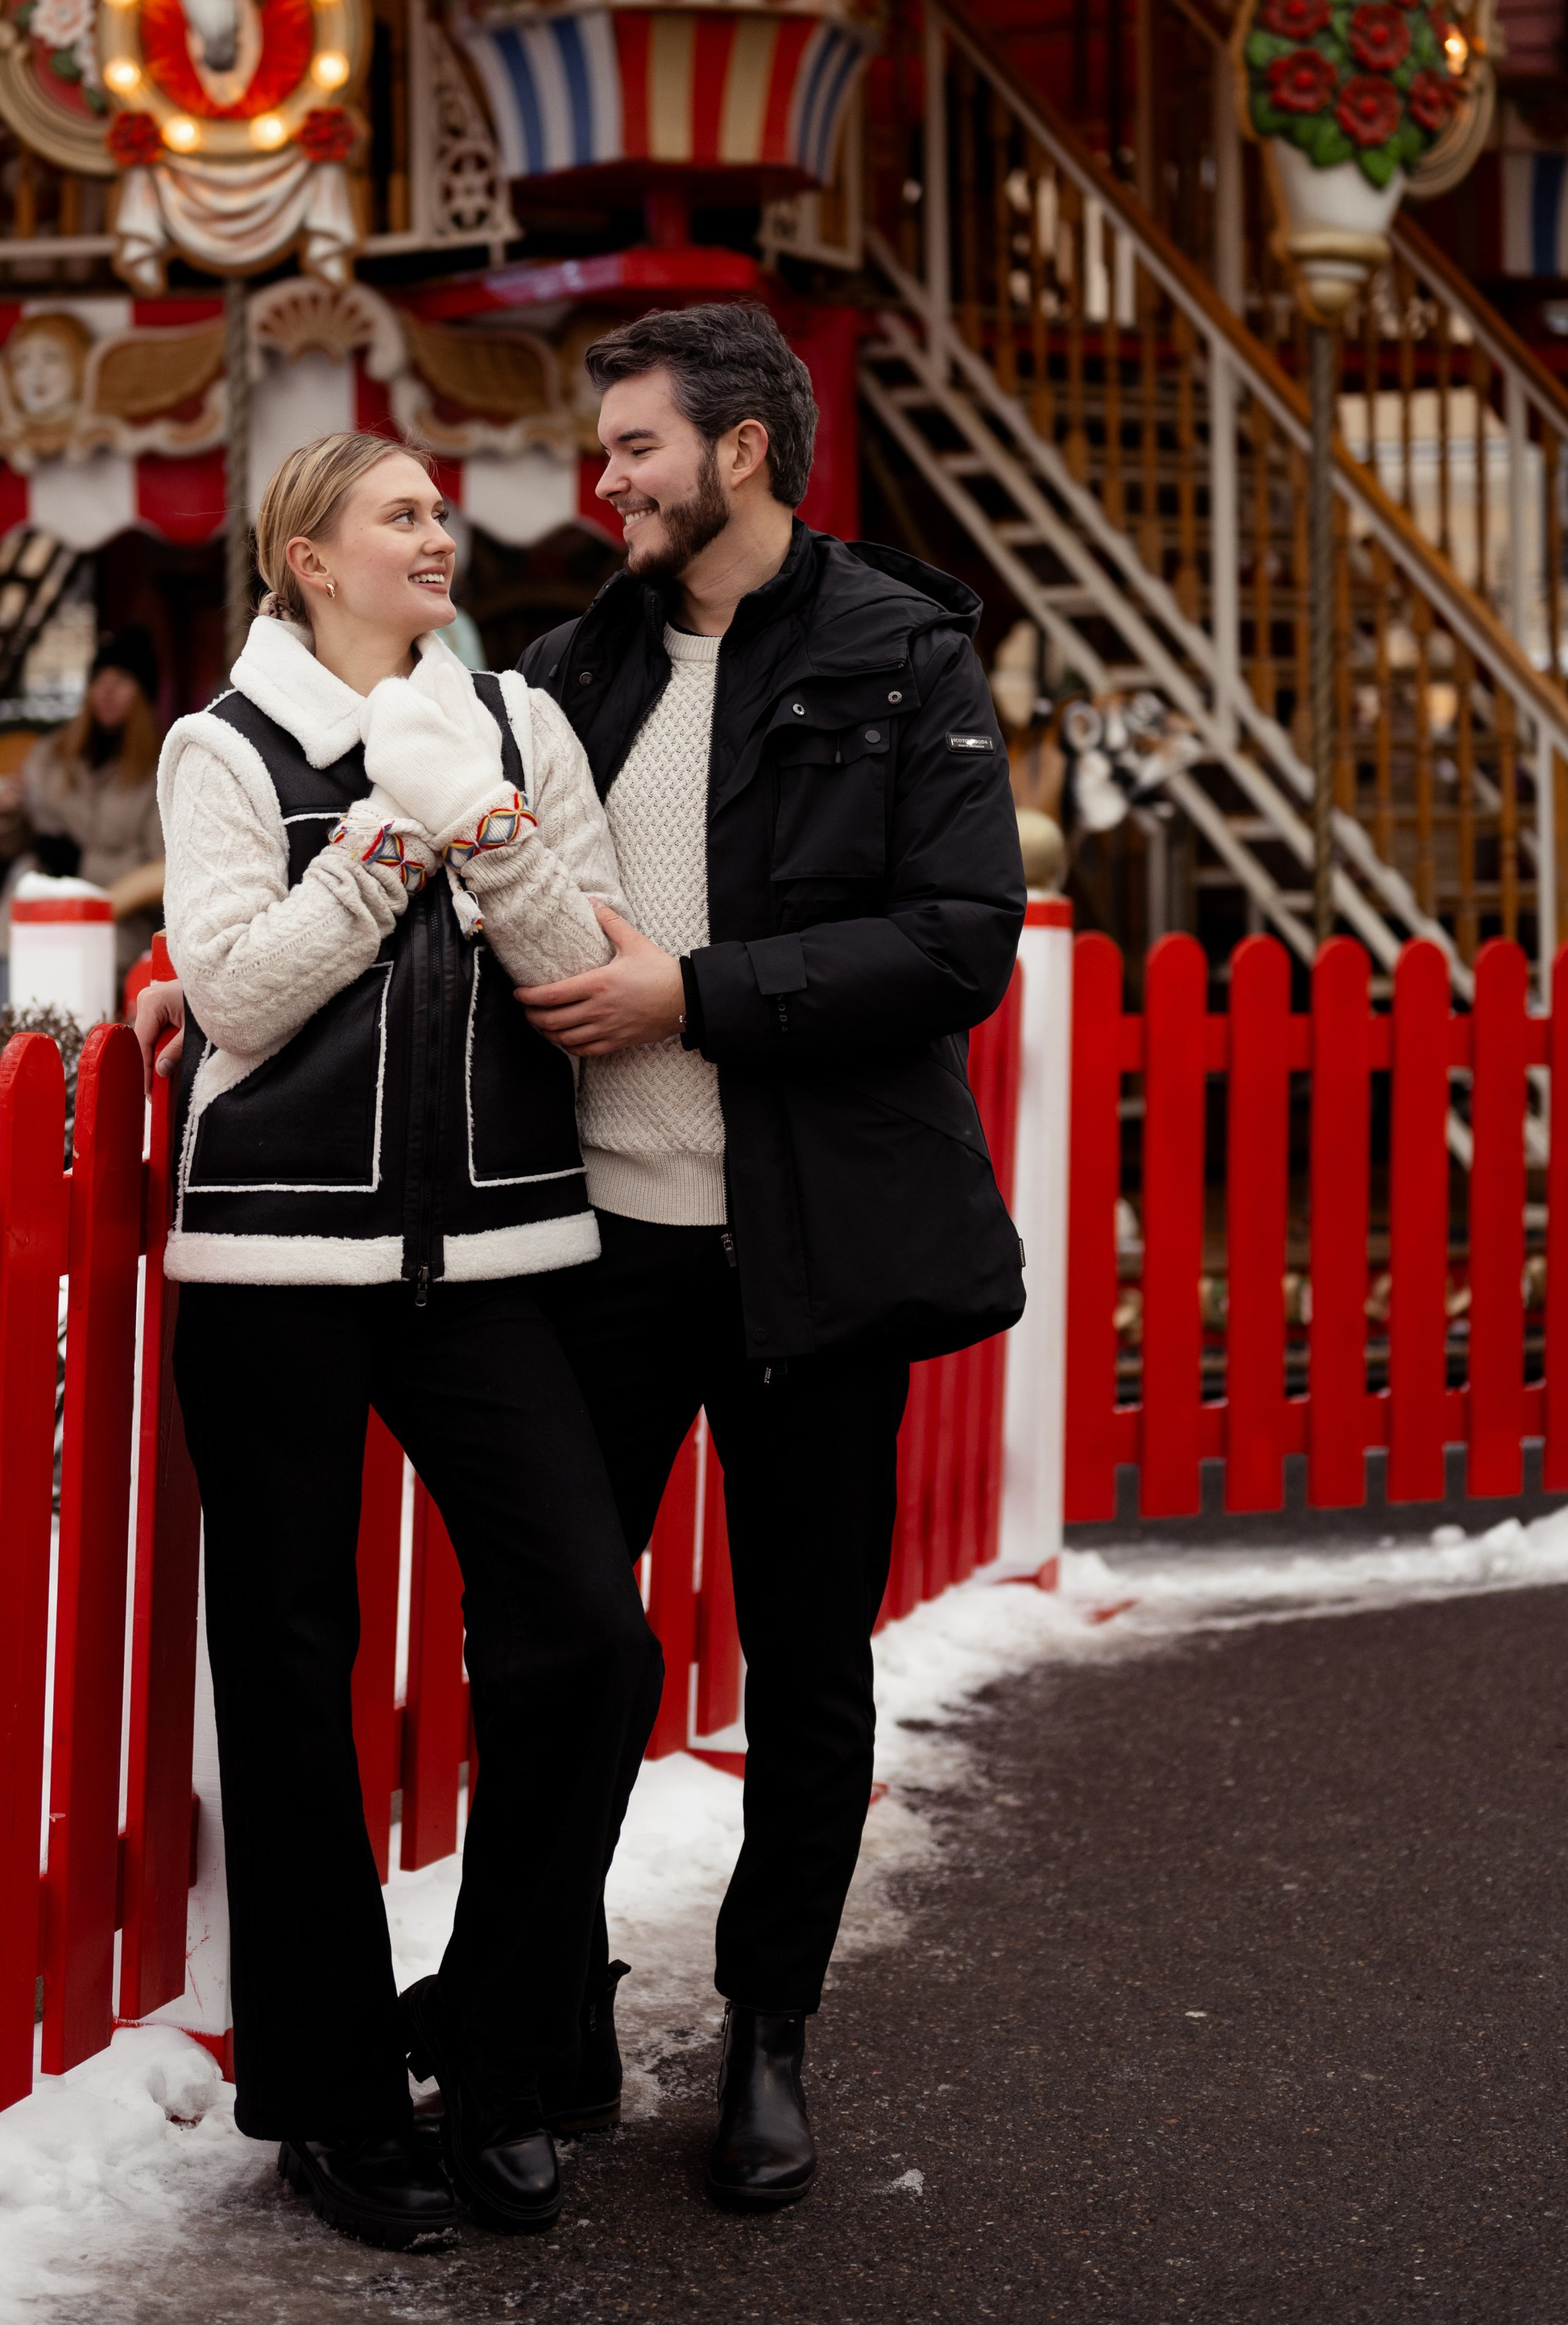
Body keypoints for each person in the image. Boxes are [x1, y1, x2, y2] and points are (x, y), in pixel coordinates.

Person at [509, 300, 1027, 2211]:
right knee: (554, 1641)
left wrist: (693, 991)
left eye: (632, 442)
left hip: (809, 1251)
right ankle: (548, 1992)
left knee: (806, 1659)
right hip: (600, 1250)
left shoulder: (901, 651)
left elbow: (959, 935)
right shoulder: (569, 665)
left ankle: (762, 2030)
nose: (605, 474)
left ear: (734, 448)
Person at [153, 428, 661, 2253]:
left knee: (588, 1639)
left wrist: (483, 813)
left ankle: (503, 2048)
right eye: (399, 515)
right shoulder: (224, 743)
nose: (438, 534)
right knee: (290, 1684)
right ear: (304, 557)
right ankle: (333, 2100)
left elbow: (587, 969)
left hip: (502, 1246)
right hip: (275, 1269)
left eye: (441, 511)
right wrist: (382, 838)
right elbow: (233, 996)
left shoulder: (514, 722)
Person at [0, 625, 166, 972]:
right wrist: (4, 815)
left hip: (113, 930)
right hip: (31, 916)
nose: (107, 692)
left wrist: (82, 863)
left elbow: (160, 873)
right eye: (100, 679)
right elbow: (13, 845)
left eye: (122, 681)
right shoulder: (50, 756)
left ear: (143, 694)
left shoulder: (159, 772)